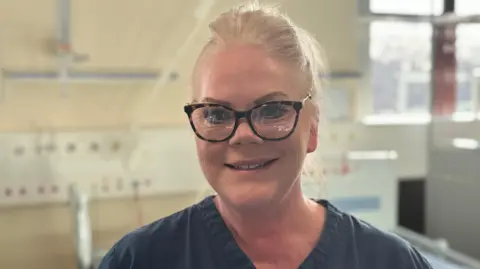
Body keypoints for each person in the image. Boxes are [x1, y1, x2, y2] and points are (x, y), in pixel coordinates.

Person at [98, 2, 433, 269]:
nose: (242, 135)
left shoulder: (390, 261)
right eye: (215, 114)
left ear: (312, 127)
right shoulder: (139, 260)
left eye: (272, 110)